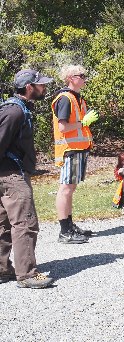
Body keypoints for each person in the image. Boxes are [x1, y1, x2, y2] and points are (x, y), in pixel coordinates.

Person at [0, 69, 55, 288]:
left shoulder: (17, 109)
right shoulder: (15, 112)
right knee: (25, 223)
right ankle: (28, 274)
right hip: (12, 176)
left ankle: (4, 270)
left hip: (6, 175)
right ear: (29, 88)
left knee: (3, 225)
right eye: (40, 85)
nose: (44, 88)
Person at [52, 65, 99, 244]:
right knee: (65, 189)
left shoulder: (76, 98)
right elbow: (63, 127)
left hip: (78, 148)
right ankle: (65, 232)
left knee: (70, 189)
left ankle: (69, 226)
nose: (85, 78)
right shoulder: (65, 98)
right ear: (71, 78)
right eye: (82, 76)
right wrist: (83, 122)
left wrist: (87, 121)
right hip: (70, 150)